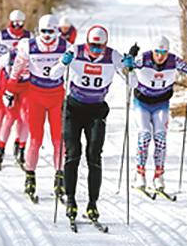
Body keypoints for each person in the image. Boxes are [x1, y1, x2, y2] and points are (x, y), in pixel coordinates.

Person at [51, 25, 134, 222]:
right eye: (92, 45)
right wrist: (63, 63)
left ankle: (92, 203)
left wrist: (130, 69)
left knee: (94, 155)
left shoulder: (113, 56)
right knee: (72, 154)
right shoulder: (75, 51)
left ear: (105, 45)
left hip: (96, 110)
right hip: (73, 108)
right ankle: (70, 199)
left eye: (100, 46)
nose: (95, 50)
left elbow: (133, 84)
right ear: (87, 42)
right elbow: (54, 74)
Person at [7, 14, 71, 201]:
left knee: (59, 140)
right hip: (35, 96)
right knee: (35, 139)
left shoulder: (65, 47)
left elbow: (75, 69)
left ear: (57, 31)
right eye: (43, 31)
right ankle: (30, 177)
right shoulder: (28, 46)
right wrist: (9, 91)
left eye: (51, 31)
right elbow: (16, 69)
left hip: (57, 97)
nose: (47, 35)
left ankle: (59, 177)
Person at [129, 35, 187, 191]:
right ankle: (140, 174)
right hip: (142, 103)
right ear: (153, 51)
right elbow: (126, 67)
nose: (160, 56)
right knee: (145, 135)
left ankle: (159, 175)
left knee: (160, 137)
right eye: (157, 52)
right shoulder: (144, 58)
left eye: (164, 52)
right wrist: (131, 56)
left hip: (161, 104)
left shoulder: (174, 61)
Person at [0, 10, 32, 169]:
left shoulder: (29, 36)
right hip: (7, 81)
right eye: (15, 23)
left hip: (26, 84)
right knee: (5, 115)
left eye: (21, 23)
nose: (18, 26)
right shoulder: (2, 35)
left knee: (25, 117)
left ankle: (20, 147)